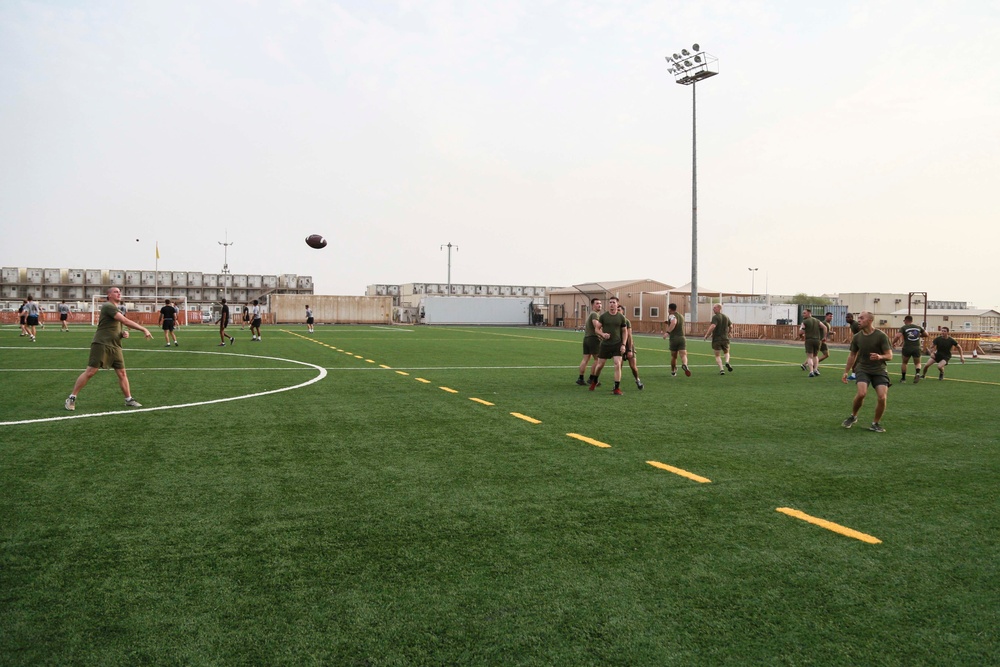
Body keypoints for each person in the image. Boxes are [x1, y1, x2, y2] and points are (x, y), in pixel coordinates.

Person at [64, 286, 152, 411]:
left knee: (122, 373)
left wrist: (122, 334)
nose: (119, 294)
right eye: (116, 292)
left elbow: (116, 326)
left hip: (115, 346)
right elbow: (125, 321)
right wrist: (143, 329)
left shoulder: (115, 309)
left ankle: (128, 399)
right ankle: (71, 398)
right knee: (90, 372)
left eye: (119, 292)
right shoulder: (108, 306)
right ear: (109, 295)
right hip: (102, 344)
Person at [841, 311, 892, 432]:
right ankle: (853, 416)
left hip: (879, 370)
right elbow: (852, 355)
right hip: (863, 368)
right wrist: (846, 371)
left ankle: (875, 423)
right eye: (858, 318)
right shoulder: (857, 337)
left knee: (882, 397)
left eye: (861, 318)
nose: (858, 320)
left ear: (870, 320)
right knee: (862, 393)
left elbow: (889, 355)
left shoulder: (881, 336)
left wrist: (880, 357)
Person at [590, 296, 627, 395]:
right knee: (600, 365)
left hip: (617, 344)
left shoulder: (621, 317)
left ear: (617, 304)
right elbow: (597, 329)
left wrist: (623, 344)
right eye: (610, 302)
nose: (611, 304)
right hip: (605, 344)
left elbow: (624, 332)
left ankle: (616, 388)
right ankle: (595, 380)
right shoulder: (603, 316)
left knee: (617, 364)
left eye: (613, 302)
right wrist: (603, 334)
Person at [892, 315, 927, 383]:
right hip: (917, 347)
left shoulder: (904, 327)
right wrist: (918, 335)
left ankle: (903, 379)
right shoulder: (918, 327)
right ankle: (917, 373)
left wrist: (893, 342)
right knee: (917, 363)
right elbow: (926, 334)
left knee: (905, 363)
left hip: (907, 348)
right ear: (912, 320)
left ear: (905, 320)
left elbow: (897, 336)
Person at [576, 298, 602, 386]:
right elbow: (596, 326)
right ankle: (592, 378)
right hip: (593, 339)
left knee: (585, 359)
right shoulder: (594, 314)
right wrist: (603, 334)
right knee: (597, 359)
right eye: (597, 303)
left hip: (586, 338)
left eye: (600, 303)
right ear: (592, 305)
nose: (599, 305)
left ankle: (581, 378)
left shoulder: (591, 314)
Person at [797, 308, 828, 377]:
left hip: (809, 340)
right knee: (815, 355)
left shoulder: (805, 322)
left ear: (809, 313)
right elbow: (825, 327)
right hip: (817, 340)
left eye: (804, 313)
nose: (803, 315)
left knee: (810, 357)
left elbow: (801, 331)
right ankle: (816, 369)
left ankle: (811, 371)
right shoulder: (817, 320)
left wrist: (801, 336)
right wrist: (825, 337)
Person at [662, 302, 691, 377]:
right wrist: (668, 323)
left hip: (674, 338)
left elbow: (674, 322)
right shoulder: (681, 316)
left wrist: (667, 332)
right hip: (682, 337)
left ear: (670, 309)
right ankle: (685, 364)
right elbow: (677, 323)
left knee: (674, 356)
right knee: (683, 354)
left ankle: (673, 371)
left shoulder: (671, 315)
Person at [704, 304, 733, 375]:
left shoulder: (715, 317)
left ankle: (721, 369)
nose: (713, 309)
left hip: (717, 339)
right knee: (726, 352)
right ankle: (727, 362)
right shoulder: (726, 317)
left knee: (717, 355)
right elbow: (731, 326)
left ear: (719, 308)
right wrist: (729, 332)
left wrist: (707, 334)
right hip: (725, 338)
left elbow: (713, 326)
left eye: (714, 308)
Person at [622, 315, 643, 390]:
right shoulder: (614, 321)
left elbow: (629, 336)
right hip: (619, 346)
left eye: (619, 310)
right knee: (618, 366)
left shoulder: (626, 321)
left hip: (628, 345)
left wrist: (630, 349)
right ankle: (616, 385)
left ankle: (637, 380)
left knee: (633, 367)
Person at [845, 312, 862, 380]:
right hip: (857, 342)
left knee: (855, 358)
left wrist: (859, 341)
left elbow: (861, 332)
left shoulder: (855, 324)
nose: (847, 319)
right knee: (855, 358)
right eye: (846, 317)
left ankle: (854, 375)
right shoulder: (852, 324)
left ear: (852, 318)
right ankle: (855, 374)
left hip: (859, 343)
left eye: (848, 317)